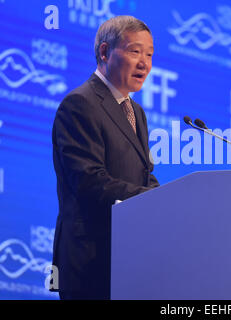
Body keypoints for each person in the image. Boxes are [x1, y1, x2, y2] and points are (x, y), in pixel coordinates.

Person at [51, 15, 159, 300]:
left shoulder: (136, 112)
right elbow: (89, 181)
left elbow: (144, 174)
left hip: (128, 258)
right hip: (90, 262)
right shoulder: (80, 104)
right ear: (104, 52)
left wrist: (169, 198)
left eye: (149, 54)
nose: (144, 63)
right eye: (135, 51)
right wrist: (152, 199)